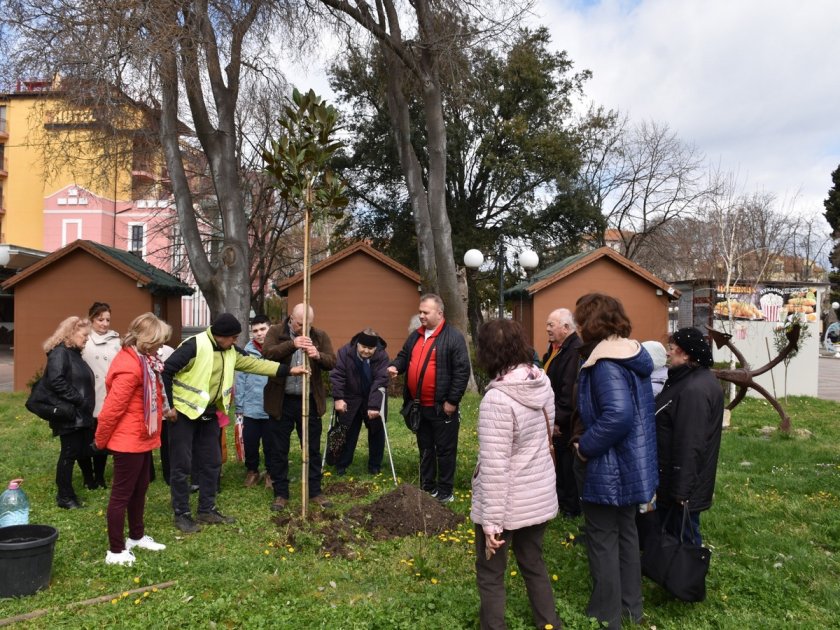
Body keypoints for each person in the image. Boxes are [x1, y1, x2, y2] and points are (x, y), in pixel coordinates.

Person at [163, 313, 307, 533]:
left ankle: (206, 510)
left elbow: (254, 364)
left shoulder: (230, 350)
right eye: (232, 338)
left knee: (212, 462)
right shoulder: (194, 345)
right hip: (182, 413)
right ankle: (181, 513)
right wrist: (169, 406)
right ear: (220, 336)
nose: (236, 342)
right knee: (182, 466)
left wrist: (288, 370)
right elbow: (166, 370)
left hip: (209, 412)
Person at [571, 293, 658, 629]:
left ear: (591, 323)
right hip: (631, 463)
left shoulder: (605, 362)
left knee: (603, 537)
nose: (577, 327)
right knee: (625, 533)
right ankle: (630, 609)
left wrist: (584, 448)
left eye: (580, 320)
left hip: (609, 464)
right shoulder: (629, 355)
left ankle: (606, 615)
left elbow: (618, 416)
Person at [471, 319, 562, 630]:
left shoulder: (497, 400)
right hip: (538, 494)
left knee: (490, 573)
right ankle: (549, 624)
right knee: (533, 562)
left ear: (487, 352)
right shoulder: (541, 381)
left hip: (508, 502)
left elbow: (496, 469)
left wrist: (491, 526)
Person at [94, 313, 172, 566]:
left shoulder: (144, 360)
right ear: (147, 340)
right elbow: (111, 410)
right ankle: (115, 551)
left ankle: (136, 536)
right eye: (159, 340)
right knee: (121, 496)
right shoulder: (129, 367)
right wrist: (100, 441)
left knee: (140, 490)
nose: (162, 345)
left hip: (142, 437)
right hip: (128, 442)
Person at [388, 293, 470, 504]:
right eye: (420, 311)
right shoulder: (416, 336)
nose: (421, 315)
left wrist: (452, 401)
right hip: (419, 406)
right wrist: (396, 366)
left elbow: (462, 372)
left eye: (426, 312)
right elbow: (404, 356)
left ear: (439, 313)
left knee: (444, 449)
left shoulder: (453, 337)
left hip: (442, 407)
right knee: (425, 448)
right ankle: (428, 487)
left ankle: (445, 491)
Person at [653, 327, 724, 545]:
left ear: (686, 354)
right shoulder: (687, 381)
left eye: (671, 348)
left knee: (685, 535)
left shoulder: (694, 390)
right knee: (677, 532)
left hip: (681, 482)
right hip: (676, 477)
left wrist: (682, 492)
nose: (668, 353)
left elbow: (690, 443)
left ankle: (687, 575)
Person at [263, 303, 336, 511]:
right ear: (290, 318)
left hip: (309, 400)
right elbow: (267, 354)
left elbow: (332, 362)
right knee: (279, 449)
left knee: (311, 448)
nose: (303, 328)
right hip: (281, 400)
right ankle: (281, 494)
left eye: (308, 325)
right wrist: (292, 344)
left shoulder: (320, 335)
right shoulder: (275, 332)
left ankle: (315, 492)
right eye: (299, 324)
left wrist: (317, 355)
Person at [41, 316, 96, 509]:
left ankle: (72, 491)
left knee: (76, 453)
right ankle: (64, 497)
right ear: (71, 333)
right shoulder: (60, 353)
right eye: (84, 334)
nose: (87, 338)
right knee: (68, 454)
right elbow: (56, 381)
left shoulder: (74, 353)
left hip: (80, 415)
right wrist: (79, 400)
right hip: (70, 415)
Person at [330, 328, 390, 476]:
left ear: (376, 348)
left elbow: (381, 380)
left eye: (371, 348)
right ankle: (341, 464)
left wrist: (374, 406)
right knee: (347, 430)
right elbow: (337, 376)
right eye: (364, 347)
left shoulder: (382, 356)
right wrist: (338, 398)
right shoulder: (345, 352)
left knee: (377, 431)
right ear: (358, 344)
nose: (366, 351)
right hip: (350, 397)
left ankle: (374, 466)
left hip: (373, 396)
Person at [543, 307, 583, 518]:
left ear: (566, 328)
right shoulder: (556, 348)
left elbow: (569, 390)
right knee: (558, 463)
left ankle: (570, 507)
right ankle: (561, 501)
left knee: (567, 465)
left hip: (565, 422)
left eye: (551, 325)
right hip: (554, 415)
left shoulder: (574, 351)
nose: (547, 329)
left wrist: (557, 420)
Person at [81, 301, 121, 490]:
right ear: (91, 319)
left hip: (108, 396)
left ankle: (100, 477)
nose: (104, 324)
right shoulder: (83, 340)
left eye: (107, 320)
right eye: (100, 319)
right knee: (84, 439)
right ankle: (88, 476)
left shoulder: (116, 341)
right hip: (87, 397)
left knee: (102, 440)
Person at [235, 315, 274, 488]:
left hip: (271, 408)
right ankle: (252, 471)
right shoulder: (246, 351)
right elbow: (240, 379)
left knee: (271, 444)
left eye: (262, 329)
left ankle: (271, 473)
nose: (259, 334)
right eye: (255, 331)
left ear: (270, 329)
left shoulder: (278, 349)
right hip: (251, 407)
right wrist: (240, 405)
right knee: (250, 442)